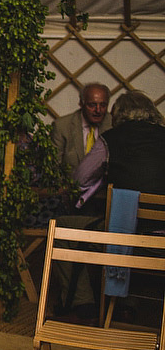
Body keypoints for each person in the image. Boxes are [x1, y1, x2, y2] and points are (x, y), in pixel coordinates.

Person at [52, 91, 165, 323]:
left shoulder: (111, 139)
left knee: (63, 228)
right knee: (128, 229)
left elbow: (79, 179)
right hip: (162, 241)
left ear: (118, 115)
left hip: (126, 238)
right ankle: (127, 305)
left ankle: (82, 305)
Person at [51, 82, 111, 173]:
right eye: (92, 105)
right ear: (81, 103)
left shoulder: (113, 124)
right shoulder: (62, 127)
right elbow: (53, 166)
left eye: (103, 105)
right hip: (70, 185)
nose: (98, 110)